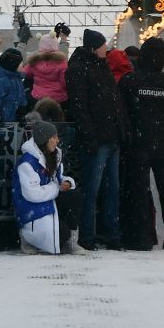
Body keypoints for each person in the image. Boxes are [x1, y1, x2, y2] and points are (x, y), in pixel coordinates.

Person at [119, 36, 164, 250]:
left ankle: (142, 235)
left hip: (138, 146)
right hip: (163, 146)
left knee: (139, 189)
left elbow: (121, 113)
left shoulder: (129, 81)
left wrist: (131, 133)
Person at [65, 28, 127, 249]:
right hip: (98, 139)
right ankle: (89, 237)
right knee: (94, 190)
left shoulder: (96, 67)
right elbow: (80, 107)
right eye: (102, 45)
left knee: (110, 189)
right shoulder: (80, 70)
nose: (106, 48)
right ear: (93, 48)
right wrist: (90, 136)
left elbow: (110, 103)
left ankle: (109, 235)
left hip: (109, 137)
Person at [12, 119, 74, 255]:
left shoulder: (52, 155)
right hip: (32, 211)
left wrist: (67, 183)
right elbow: (33, 194)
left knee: (74, 195)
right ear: (44, 140)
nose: (57, 140)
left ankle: (72, 241)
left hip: (47, 203)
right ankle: (27, 237)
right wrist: (57, 188)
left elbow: (59, 178)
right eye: (54, 137)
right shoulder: (27, 163)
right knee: (62, 234)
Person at [24, 34, 68, 106]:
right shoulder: (61, 63)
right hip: (58, 98)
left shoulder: (34, 62)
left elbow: (25, 74)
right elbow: (64, 83)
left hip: (38, 97)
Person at [0, 48, 26, 124]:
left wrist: (21, 110)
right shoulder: (2, 80)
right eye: (20, 63)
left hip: (12, 122)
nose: (23, 65)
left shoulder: (17, 79)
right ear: (13, 64)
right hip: (0, 123)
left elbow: (21, 95)